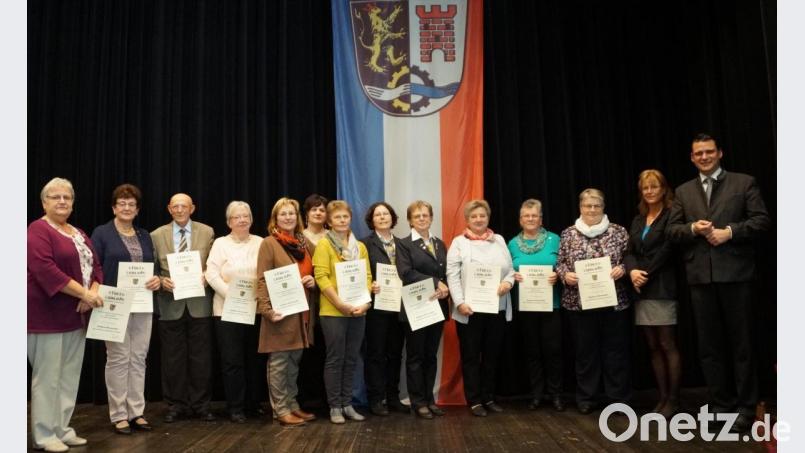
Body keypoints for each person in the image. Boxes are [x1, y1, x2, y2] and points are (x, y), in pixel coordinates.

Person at [667, 133, 770, 432]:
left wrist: (730, 232)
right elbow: (672, 231)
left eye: (709, 151)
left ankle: (746, 407)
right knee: (709, 347)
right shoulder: (684, 191)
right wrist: (692, 229)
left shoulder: (744, 183)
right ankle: (720, 406)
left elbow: (761, 221)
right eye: (698, 153)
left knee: (742, 345)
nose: (704, 157)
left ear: (720, 153)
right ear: (692, 157)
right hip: (700, 278)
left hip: (737, 276)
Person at [28, 177, 103, 452]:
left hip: (76, 315)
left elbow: (96, 267)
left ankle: (62, 429)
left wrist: (91, 292)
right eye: (55, 197)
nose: (62, 201)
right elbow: (44, 269)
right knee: (48, 378)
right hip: (46, 316)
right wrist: (84, 294)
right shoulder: (37, 230)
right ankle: (44, 434)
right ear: (44, 202)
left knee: (69, 376)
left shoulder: (77, 232)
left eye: (67, 197)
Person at [90, 184, 161, 434]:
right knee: (118, 358)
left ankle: (136, 412)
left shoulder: (144, 235)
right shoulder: (101, 233)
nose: (127, 207)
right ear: (114, 207)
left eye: (132, 204)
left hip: (142, 303)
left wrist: (156, 279)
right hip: (113, 303)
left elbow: (152, 267)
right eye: (122, 203)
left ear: (138, 209)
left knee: (139, 357)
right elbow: (94, 267)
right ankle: (119, 414)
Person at [555, 188, 631, 414]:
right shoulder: (568, 234)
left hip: (614, 303)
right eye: (588, 205)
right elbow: (560, 263)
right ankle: (586, 398)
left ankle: (617, 399)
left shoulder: (618, 231)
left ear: (603, 207)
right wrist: (565, 275)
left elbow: (631, 258)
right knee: (585, 353)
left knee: (615, 352)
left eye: (597, 205)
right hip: (579, 304)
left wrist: (622, 268)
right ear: (580, 207)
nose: (592, 209)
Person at [447, 199, 515, 417]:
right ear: (467, 220)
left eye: (482, 215)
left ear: (488, 218)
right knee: (471, 357)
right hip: (469, 311)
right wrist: (460, 303)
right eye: (474, 216)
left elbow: (510, 270)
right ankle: (474, 400)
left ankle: (489, 397)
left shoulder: (499, 240)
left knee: (492, 357)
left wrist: (508, 283)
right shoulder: (458, 243)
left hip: (497, 308)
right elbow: (452, 276)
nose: (479, 219)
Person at [151, 193, 216, 422]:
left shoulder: (207, 232)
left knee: (201, 359)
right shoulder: (156, 235)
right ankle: (175, 405)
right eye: (175, 206)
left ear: (192, 208)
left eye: (184, 206)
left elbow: (214, 264)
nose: (179, 210)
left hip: (200, 304)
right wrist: (161, 281)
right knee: (172, 359)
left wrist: (208, 276)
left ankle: (201, 405)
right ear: (169, 209)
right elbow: (152, 269)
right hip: (170, 304)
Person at [255, 198, 318, 426]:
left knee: (293, 363)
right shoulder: (269, 243)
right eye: (283, 214)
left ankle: (292, 404)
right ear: (275, 218)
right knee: (279, 363)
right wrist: (266, 310)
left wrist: (314, 281)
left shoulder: (304, 243)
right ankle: (280, 409)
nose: (288, 217)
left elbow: (317, 270)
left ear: (297, 217)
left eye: (291, 213)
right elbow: (262, 279)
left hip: (303, 313)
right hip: (280, 313)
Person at [623, 170, 680, 418]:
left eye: (654, 187)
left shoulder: (671, 215)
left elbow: (668, 249)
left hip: (661, 286)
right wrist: (632, 271)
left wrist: (644, 273)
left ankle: (673, 400)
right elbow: (629, 251)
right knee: (653, 346)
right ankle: (662, 397)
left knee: (667, 344)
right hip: (641, 288)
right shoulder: (639, 219)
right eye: (645, 188)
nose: (649, 191)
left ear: (663, 189)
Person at [312, 200, 375, 424]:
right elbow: (321, 277)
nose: (341, 220)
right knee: (335, 359)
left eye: (345, 217)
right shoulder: (324, 245)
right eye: (337, 217)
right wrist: (340, 303)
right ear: (329, 221)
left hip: (358, 310)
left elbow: (367, 276)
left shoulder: (360, 247)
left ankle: (347, 403)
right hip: (333, 312)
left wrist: (365, 304)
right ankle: (335, 406)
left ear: (350, 219)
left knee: (351, 359)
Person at [204, 201, 265, 424]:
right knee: (232, 360)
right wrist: (231, 294)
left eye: (245, 216)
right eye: (236, 217)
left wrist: (257, 294)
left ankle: (253, 403)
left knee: (254, 358)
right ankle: (235, 406)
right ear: (229, 222)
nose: (241, 220)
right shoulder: (220, 244)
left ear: (251, 219)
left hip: (254, 309)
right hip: (226, 310)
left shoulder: (260, 242)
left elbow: (266, 272)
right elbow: (211, 274)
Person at [507, 199, 564, 412]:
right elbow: (505, 270)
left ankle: (556, 394)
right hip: (525, 306)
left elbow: (565, 265)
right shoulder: (512, 244)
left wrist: (558, 275)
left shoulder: (555, 239)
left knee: (553, 351)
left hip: (551, 305)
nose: (530, 219)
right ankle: (537, 394)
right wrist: (513, 275)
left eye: (534, 215)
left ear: (541, 219)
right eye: (526, 216)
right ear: (520, 220)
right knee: (532, 352)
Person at [396, 200, 450, 419]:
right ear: (410, 220)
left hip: (437, 306)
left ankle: (430, 399)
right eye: (417, 216)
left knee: (430, 356)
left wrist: (445, 289)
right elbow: (406, 273)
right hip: (416, 307)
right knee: (416, 357)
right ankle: (418, 402)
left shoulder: (440, 244)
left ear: (431, 218)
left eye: (425, 215)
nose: (421, 219)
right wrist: (437, 282)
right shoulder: (404, 244)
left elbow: (446, 273)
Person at [361, 202, 408, 416]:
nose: (382, 217)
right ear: (371, 220)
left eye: (385, 214)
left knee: (396, 354)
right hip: (377, 309)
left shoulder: (403, 244)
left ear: (392, 218)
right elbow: (359, 274)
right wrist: (368, 285)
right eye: (377, 215)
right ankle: (376, 399)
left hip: (400, 308)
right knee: (376, 354)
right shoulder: (364, 244)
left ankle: (393, 397)